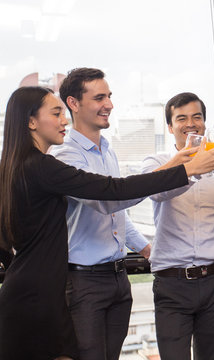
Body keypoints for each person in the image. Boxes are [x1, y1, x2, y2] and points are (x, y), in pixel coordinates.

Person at [0, 86, 214, 360]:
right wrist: (187, 169)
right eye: (56, 113)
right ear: (31, 122)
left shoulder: (19, 165)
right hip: (38, 298)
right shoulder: (42, 167)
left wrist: (21, 274)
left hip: (30, 293)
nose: (64, 120)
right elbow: (113, 191)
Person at [50, 68, 151, 360]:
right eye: (99, 97)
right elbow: (107, 202)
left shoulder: (107, 150)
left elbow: (115, 217)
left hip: (119, 278)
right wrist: (166, 176)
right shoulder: (66, 155)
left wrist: (146, 249)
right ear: (74, 103)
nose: (109, 104)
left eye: (109, 96)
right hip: (84, 283)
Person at [141, 92, 214, 360]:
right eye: (181, 118)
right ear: (170, 127)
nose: (190, 123)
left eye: (196, 117)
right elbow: (156, 193)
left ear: (205, 123)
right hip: (171, 284)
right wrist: (191, 169)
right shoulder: (156, 164)